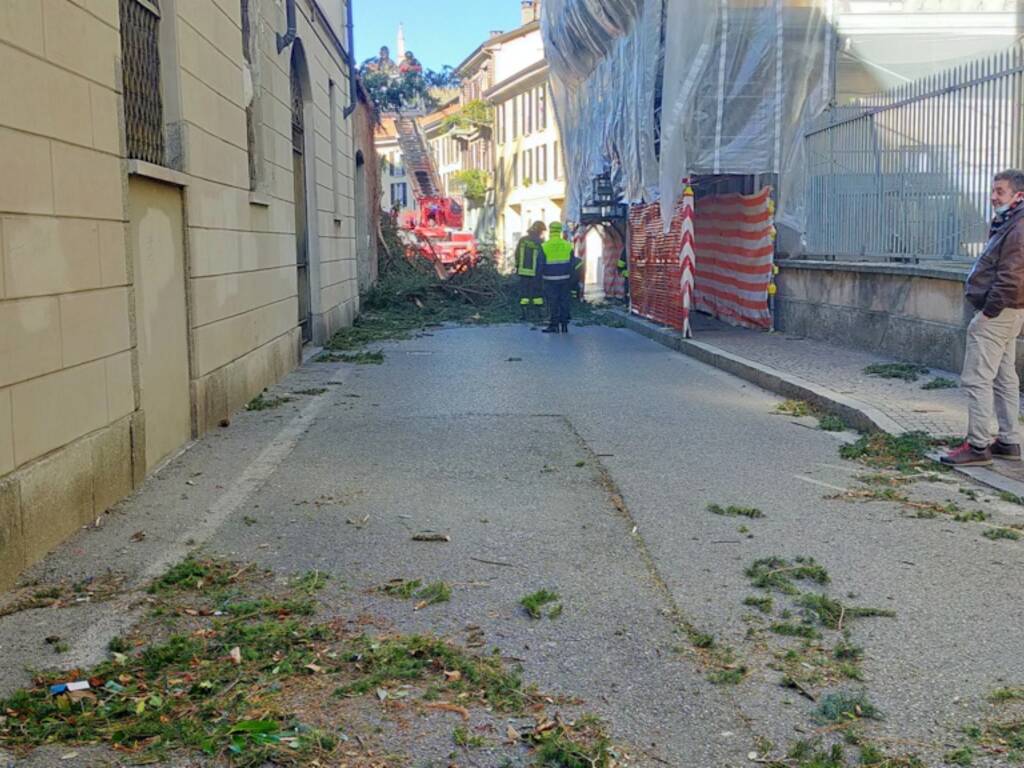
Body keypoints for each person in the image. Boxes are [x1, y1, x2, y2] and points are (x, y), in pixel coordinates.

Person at [942, 169, 1024, 466]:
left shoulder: (1018, 226)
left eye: (1000, 191)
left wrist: (988, 312)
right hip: (1009, 311)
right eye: (993, 190)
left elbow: (1012, 277)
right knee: (1004, 379)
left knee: (977, 379)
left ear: (1018, 195)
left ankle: (977, 447)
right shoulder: (1010, 221)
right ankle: (1008, 441)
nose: (993, 196)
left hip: (999, 313)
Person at [541, 222, 579, 334]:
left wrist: (538, 279)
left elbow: (540, 264)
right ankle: (564, 324)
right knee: (564, 301)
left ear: (550, 230)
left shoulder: (544, 246)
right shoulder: (568, 245)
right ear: (560, 231)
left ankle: (554, 325)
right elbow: (573, 264)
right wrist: (573, 281)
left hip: (549, 279)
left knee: (553, 302)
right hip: (565, 279)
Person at [514, 222, 546, 321]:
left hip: (523, 272)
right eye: (542, 231)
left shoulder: (522, 240)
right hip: (536, 273)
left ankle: (524, 314)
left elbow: (517, 254)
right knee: (537, 294)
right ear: (539, 230)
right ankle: (538, 314)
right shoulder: (540, 242)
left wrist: (518, 267)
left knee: (524, 294)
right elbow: (542, 258)